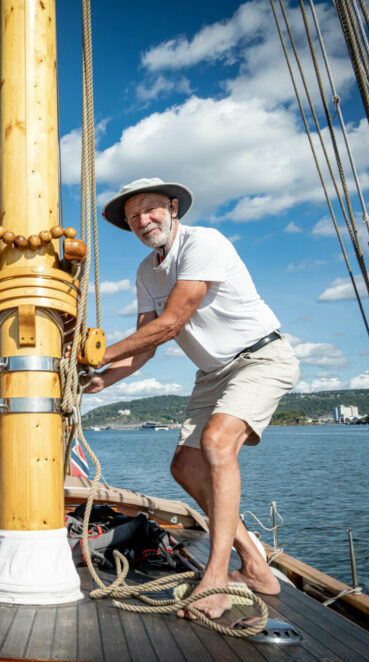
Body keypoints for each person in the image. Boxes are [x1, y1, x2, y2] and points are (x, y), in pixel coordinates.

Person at [88, 177, 299, 620]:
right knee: (184, 467)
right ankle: (257, 569)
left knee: (217, 443)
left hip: (260, 357)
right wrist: (103, 379)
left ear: (172, 208)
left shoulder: (205, 242)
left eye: (150, 209)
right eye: (133, 217)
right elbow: (147, 345)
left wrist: (98, 354)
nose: (144, 220)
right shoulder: (147, 271)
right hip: (212, 374)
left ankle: (217, 579)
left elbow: (170, 323)